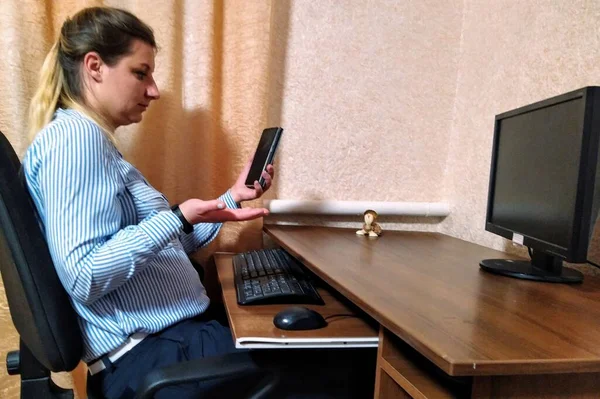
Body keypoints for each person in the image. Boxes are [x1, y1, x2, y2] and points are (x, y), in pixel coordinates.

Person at [22, 6, 275, 398]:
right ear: (94, 67)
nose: (154, 89)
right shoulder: (75, 140)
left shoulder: (94, 144)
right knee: (331, 364)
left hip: (162, 348)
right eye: (141, 73)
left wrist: (228, 199)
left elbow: (156, 250)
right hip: (151, 357)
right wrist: (175, 218)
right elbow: (85, 275)